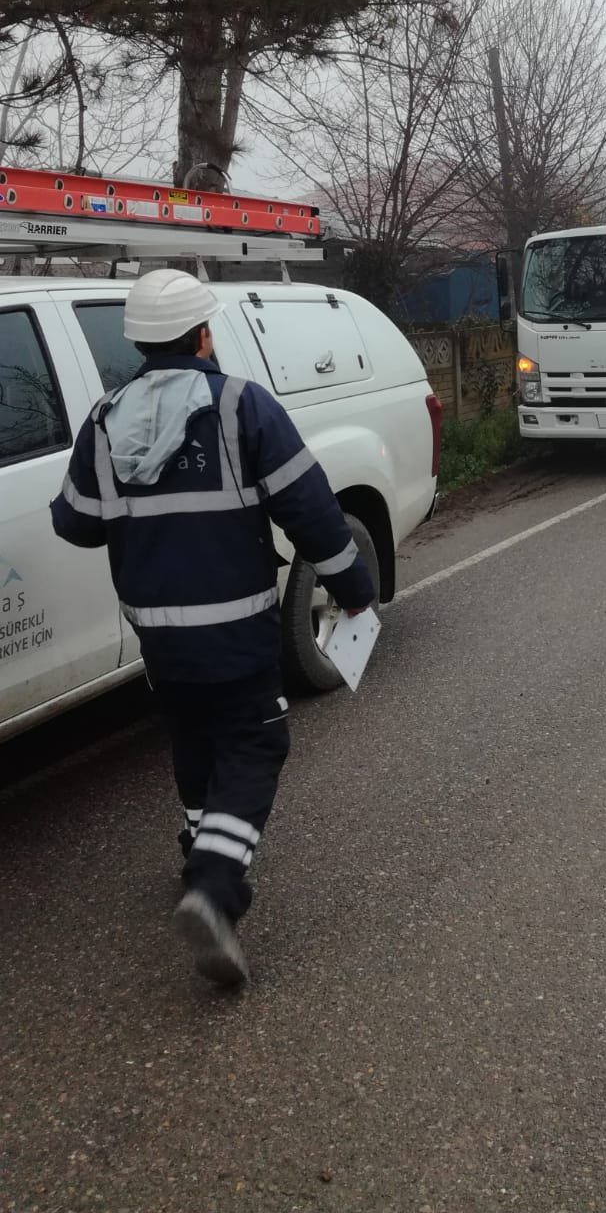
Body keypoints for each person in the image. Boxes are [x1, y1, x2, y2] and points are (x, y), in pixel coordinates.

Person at [50, 268, 375, 988]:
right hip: (236, 630)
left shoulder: (105, 420)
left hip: (160, 638)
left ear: (136, 342)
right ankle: (215, 884)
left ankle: (198, 843)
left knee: (193, 735)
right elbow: (310, 509)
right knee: (257, 743)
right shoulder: (240, 407)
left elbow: (75, 523)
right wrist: (355, 587)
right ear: (203, 334)